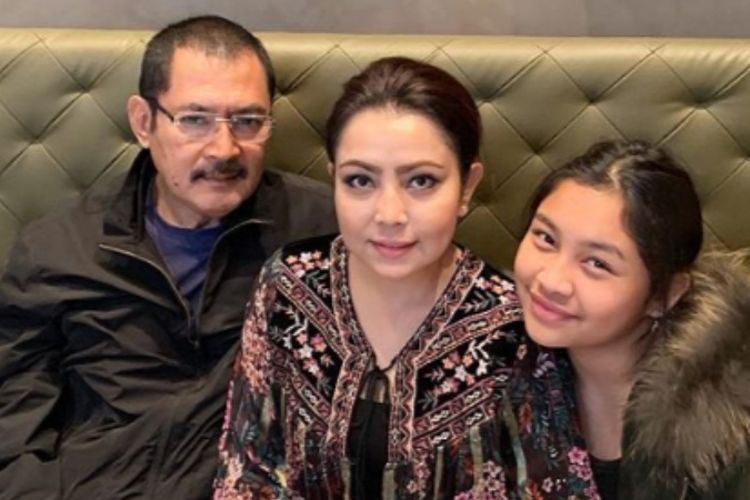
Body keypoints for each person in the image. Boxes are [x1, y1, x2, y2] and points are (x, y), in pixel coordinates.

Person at [214, 57, 599, 499]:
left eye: (421, 181)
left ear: (467, 186)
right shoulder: (289, 285)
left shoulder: (513, 326)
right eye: (360, 181)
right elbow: (246, 469)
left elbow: (556, 488)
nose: (389, 215)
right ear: (334, 180)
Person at [0, 15, 335, 500]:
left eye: (248, 121)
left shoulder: (325, 232)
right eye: (195, 120)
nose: (225, 149)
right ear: (143, 122)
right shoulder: (56, 248)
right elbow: (14, 422)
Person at [514, 140, 750, 499]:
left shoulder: (729, 436)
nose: (551, 281)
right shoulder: (500, 363)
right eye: (546, 238)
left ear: (663, 296)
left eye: (597, 263)